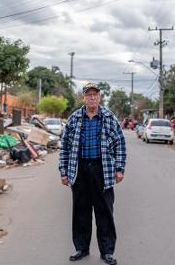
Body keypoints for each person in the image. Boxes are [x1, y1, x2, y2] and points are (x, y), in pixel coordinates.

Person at [59, 82, 127, 265]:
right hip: (79, 169)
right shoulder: (74, 118)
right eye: (88, 95)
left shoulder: (108, 117)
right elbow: (64, 146)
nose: (92, 98)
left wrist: (119, 168)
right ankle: (81, 248)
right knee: (81, 211)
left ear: (99, 97)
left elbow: (120, 142)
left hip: (102, 169)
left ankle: (107, 252)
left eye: (95, 95)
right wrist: (63, 172)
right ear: (83, 98)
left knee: (104, 212)